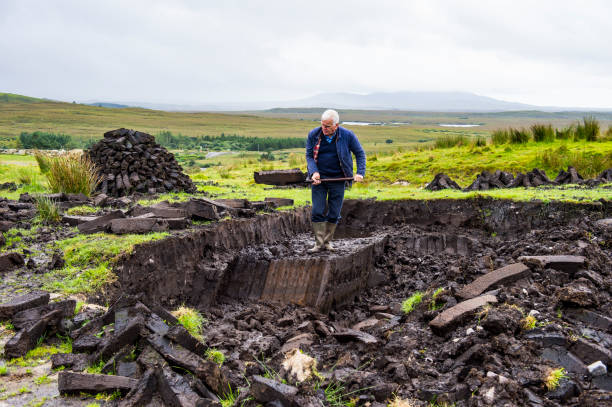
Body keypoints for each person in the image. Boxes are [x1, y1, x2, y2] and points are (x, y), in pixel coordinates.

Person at [305, 109, 366, 252]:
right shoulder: (314, 134)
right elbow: (309, 155)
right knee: (317, 211)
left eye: (327, 126)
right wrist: (314, 172)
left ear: (336, 125)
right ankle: (318, 244)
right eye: (322, 125)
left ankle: (327, 243)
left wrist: (360, 173)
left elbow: (360, 154)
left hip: (339, 178)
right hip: (319, 180)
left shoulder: (347, 135)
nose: (324, 129)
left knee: (334, 213)